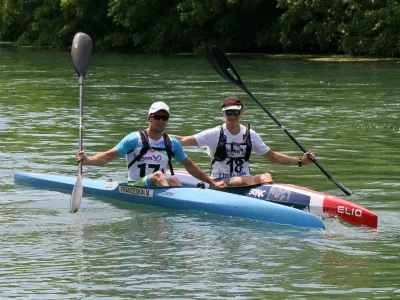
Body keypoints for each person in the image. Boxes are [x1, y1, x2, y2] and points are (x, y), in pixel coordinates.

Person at [75, 101, 226, 189]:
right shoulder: (133, 139)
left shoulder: (171, 143)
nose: (160, 121)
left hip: (159, 185)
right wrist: (88, 160)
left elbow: (190, 165)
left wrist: (212, 182)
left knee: (173, 179)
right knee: (159, 175)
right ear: (149, 118)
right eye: (157, 117)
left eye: (164, 118)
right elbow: (108, 157)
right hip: (136, 187)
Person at [172, 96, 317, 187]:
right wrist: (154, 135)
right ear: (223, 113)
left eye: (236, 112)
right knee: (243, 181)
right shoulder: (215, 134)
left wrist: (300, 162)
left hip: (246, 180)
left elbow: (272, 156)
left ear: (242, 112)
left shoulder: (250, 134)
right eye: (229, 112)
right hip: (221, 182)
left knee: (267, 176)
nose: (233, 116)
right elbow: (184, 140)